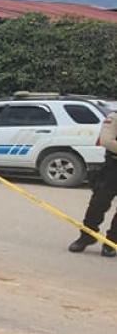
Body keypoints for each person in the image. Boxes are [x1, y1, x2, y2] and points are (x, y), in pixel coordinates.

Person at [69, 110, 117, 257]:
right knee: (98, 204)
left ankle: (111, 242)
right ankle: (86, 236)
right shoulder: (115, 116)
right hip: (113, 168)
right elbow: (106, 141)